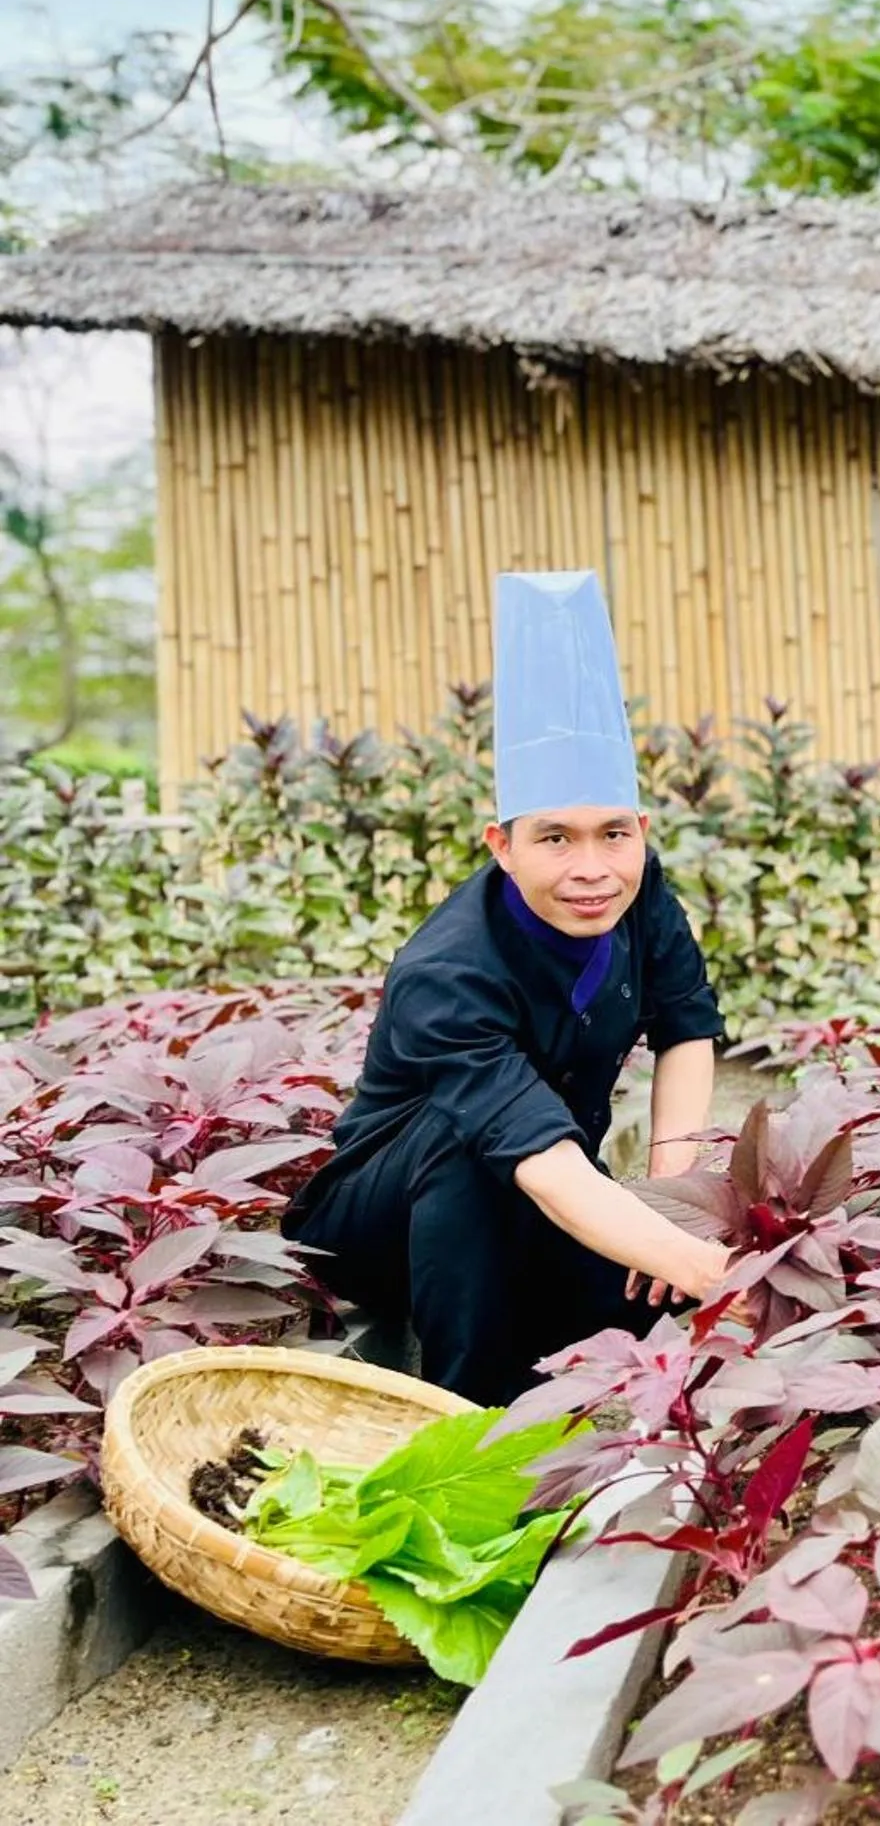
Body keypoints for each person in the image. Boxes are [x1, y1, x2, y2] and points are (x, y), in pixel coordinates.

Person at [283, 570, 733, 1404]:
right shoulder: (446, 973)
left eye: (614, 834)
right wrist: (704, 1266)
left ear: (641, 831)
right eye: (555, 838)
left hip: (544, 1192)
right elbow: (535, 1157)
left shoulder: (640, 892)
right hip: (390, 1225)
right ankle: (470, 1412)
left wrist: (673, 1205)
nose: (592, 868)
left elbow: (687, 1030)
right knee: (474, 1142)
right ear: (502, 844)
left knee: (647, 1301)